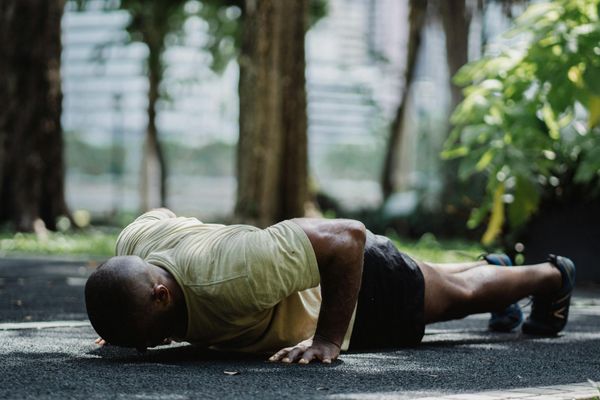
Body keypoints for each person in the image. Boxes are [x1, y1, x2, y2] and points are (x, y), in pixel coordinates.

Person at [85, 208, 576, 364]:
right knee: (449, 282)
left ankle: (552, 276)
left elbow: (348, 237)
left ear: (161, 294)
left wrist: (328, 340)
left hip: (362, 289)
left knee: (459, 297)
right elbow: (161, 220)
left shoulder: (233, 276)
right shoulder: (138, 243)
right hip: (304, 269)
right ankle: (491, 267)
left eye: (156, 335)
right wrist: (126, 323)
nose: (159, 344)